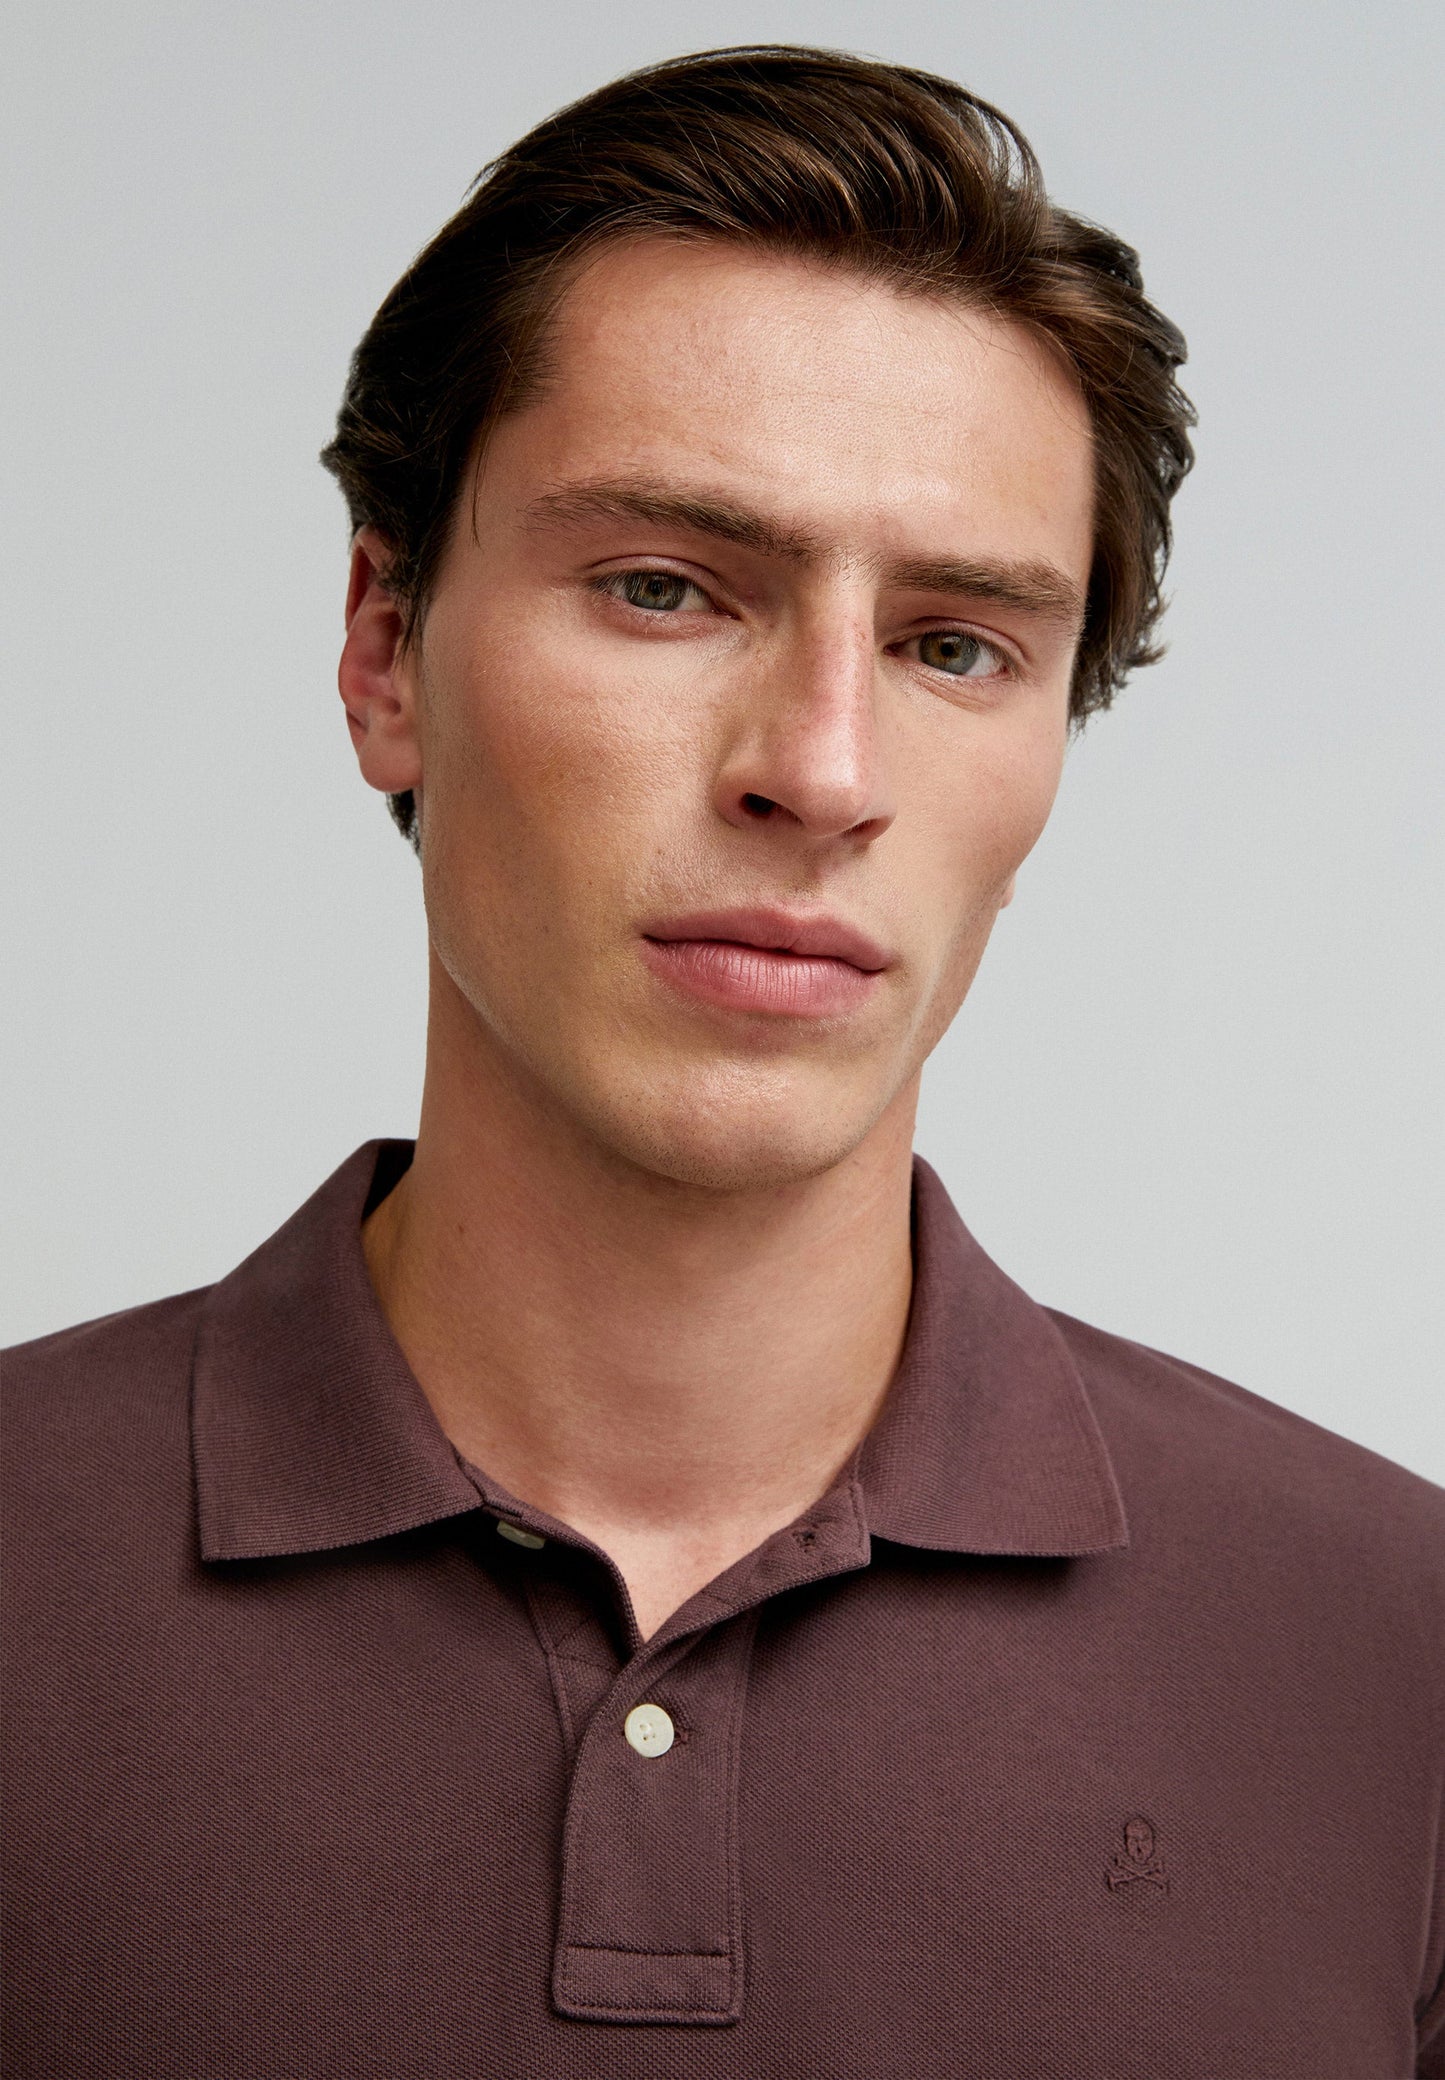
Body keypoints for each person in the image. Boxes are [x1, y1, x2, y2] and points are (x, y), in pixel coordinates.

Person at [5, 45, 1442, 2079]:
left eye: (954, 644)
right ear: (385, 648)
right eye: (665, 589)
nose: (822, 769)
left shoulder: (1398, 1648)